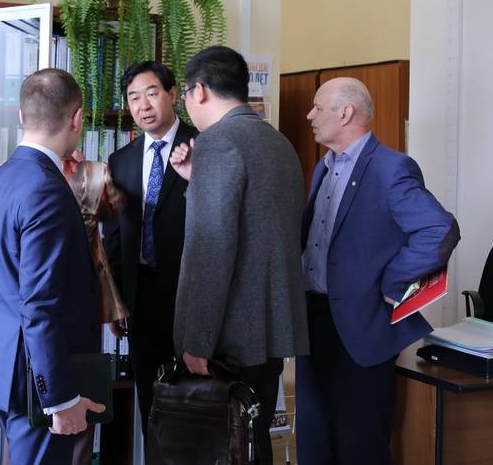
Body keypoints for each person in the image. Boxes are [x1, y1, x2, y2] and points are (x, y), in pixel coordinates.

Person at [296, 77, 460, 465]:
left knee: (360, 444)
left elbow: (439, 229)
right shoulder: (323, 167)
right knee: (315, 439)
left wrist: (394, 281)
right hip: (313, 321)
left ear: (345, 112)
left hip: (361, 327)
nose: (310, 115)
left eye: (318, 107)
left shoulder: (391, 168)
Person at [169, 45, 309, 465]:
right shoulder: (277, 141)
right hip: (269, 331)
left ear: (199, 91)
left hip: (227, 339)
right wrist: (196, 182)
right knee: (252, 442)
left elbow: (212, 249)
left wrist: (198, 341)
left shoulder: (217, 142)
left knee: (222, 450)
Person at [0, 68, 105, 464]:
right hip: (33, 378)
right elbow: (39, 302)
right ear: (77, 118)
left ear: (22, 116)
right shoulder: (46, 189)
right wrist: (59, 398)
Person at [103, 61, 198, 440]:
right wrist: (114, 299)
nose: (143, 105)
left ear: (173, 95)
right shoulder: (121, 160)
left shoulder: (202, 146)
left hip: (191, 296)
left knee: (196, 400)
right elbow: (113, 235)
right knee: (151, 401)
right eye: (133, 98)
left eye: (152, 93)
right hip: (141, 296)